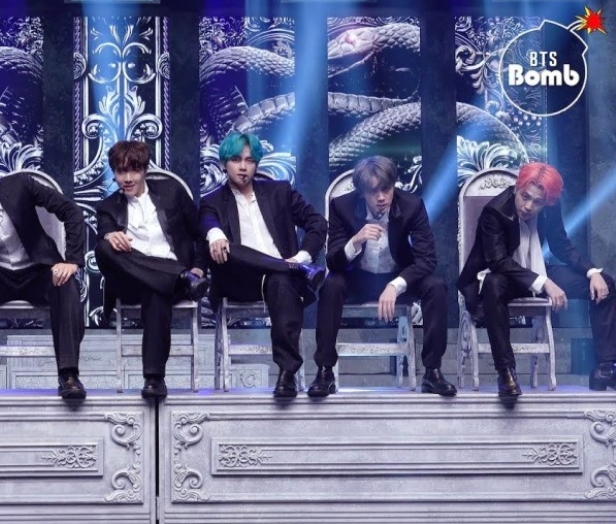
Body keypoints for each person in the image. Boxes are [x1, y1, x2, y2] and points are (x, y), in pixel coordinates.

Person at [458, 162, 616, 397]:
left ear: (547, 201)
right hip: (498, 276)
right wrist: (545, 283)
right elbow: (499, 262)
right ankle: (506, 372)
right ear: (518, 187)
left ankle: (605, 368)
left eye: (538, 202)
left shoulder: (549, 207)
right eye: (525, 197)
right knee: (494, 283)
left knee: (605, 284)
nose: (529, 206)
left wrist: (592, 272)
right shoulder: (494, 212)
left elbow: (561, 245)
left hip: (536, 269)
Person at [309, 156, 456, 397]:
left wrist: (395, 286)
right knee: (331, 285)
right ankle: (325, 371)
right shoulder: (341, 207)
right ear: (361, 193)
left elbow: (427, 259)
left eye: (386, 189)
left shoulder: (412, 206)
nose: (381, 197)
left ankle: (432, 372)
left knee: (436, 286)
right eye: (373, 191)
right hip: (358, 278)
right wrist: (355, 241)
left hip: (398, 277)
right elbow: (333, 262)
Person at [199, 131, 327, 398]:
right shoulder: (211, 202)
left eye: (249, 160)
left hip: (278, 279)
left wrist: (302, 257)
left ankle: (287, 373)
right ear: (224, 163)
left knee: (280, 280)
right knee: (231, 249)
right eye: (236, 160)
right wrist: (215, 234)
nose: (243, 167)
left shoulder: (279, 192)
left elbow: (317, 223)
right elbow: (208, 222)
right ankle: (290, 269)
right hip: (240, 280)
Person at [0, 160, 87, 399]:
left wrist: (72, 260)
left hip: (37, 271)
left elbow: (70, 210)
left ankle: (68, 374)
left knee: (66, 285)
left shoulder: (19, 185)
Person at [95, 140, 208, 399]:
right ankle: (178, 275)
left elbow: (200, 233)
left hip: (172, 282)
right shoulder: (108, 207)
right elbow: (103, 237)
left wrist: (199, 267)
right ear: (114, 173)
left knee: (156, 290)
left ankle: (154, 379)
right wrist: (110, 235)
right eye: (121, 171)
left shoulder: (171, 193)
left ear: (145, 170)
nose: (127, 178)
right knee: (103, 248)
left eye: (133, 170)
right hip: (132, 281)